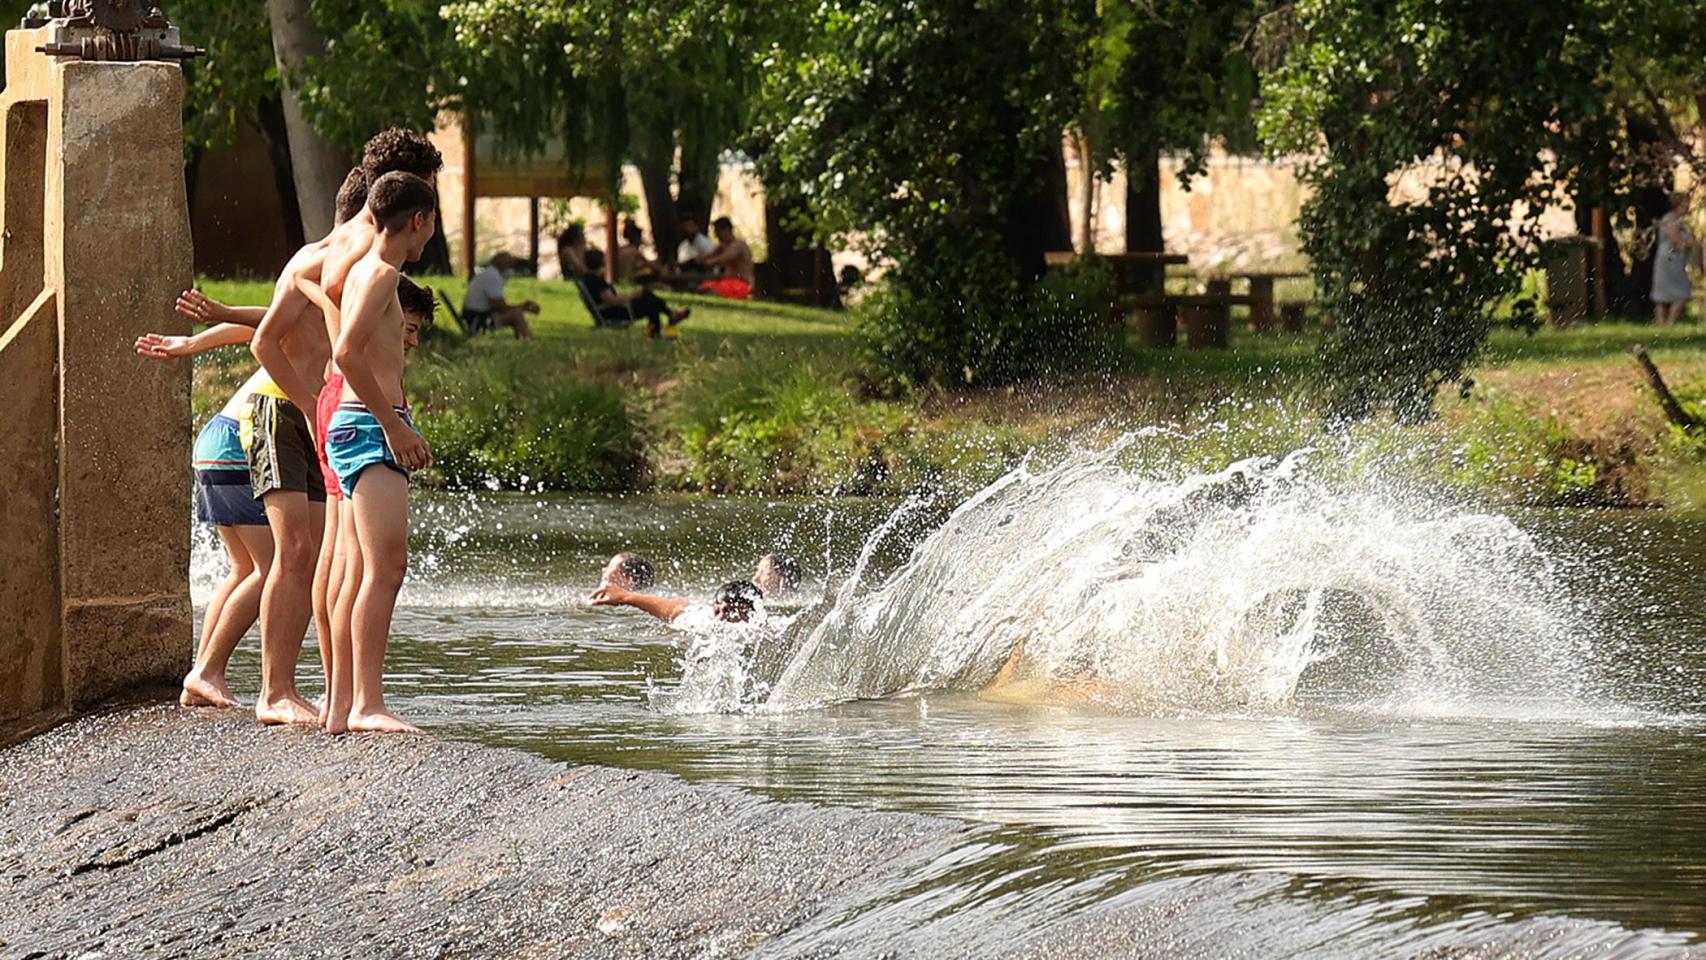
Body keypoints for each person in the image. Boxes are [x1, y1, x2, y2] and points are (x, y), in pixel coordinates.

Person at [326, 170, 438, 735]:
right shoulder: (381, 274)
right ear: (419, 220)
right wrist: (393, 425)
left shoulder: (362, 270)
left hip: (359, 424)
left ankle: (341, 705)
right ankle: (367, 703)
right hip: (370, 426)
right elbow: (346, 353)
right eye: (432, 222)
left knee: (360, 571)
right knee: (385, 568)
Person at [582, 249, 690, 338]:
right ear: (601, 262)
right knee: (650, 301)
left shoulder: (590, 279)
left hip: (612, 310)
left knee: (647, 295)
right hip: (616, 313)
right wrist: (633, 296)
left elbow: (611, 298)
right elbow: (612, 300)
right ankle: (665, 322)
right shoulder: (596, 281)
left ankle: (666, 319)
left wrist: (631, 295)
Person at [590, 580, 764, 625]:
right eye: (718, 612)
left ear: (752, 614)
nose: (721, 619)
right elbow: (674, 608)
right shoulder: (703, 621)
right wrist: (624, 596)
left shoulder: (768, 632)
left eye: (732, 612)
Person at [462, 251, 539, 339]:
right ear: (504, 265)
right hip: (476, 321)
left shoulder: (488, 273)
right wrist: (524, 307)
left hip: (474, 316)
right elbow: (500, 307)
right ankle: (528, 339)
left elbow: (497, 306)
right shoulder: (493, 276)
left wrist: (521, 307)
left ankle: (524, 338)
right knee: (516, 314)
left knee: (515, 312)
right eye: (510, 266)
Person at [1653, 191, 1696, 326]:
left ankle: (1662, 325)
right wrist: (1685, 244)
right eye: (1685, 203)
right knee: (1682, 291)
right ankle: (1669, 323)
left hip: (1666, 257)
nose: (1688, 206)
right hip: (1671, 257)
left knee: (1663, 293)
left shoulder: (1674, 219)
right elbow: (1673, 234)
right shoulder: (1672, 218)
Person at [696, 216, 755, 300]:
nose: (716, 236)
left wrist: (707, 263)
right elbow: (709, 255)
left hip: (742, 284)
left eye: (718, 232)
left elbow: (723, 258)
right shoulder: (724, 245)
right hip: (728, 282)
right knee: (703, 287)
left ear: (726, 230)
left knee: (710, 291)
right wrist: (694, 261)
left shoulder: (738, 245)